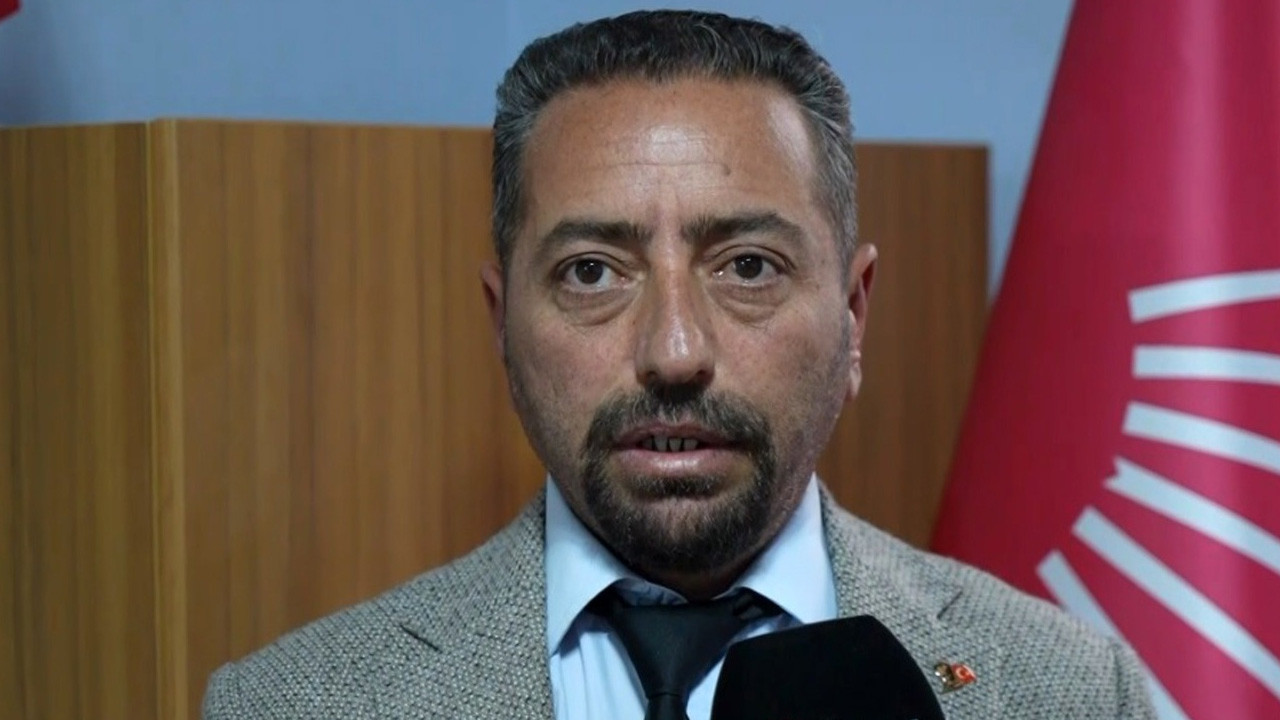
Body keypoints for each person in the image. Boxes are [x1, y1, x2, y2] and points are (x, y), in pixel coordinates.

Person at [203, 10, 1156, 719]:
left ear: (854, 314)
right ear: (502, 325)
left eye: (748, 267)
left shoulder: (1071, 692)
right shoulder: (290, 705)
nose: (674, 352)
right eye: (591, 272)